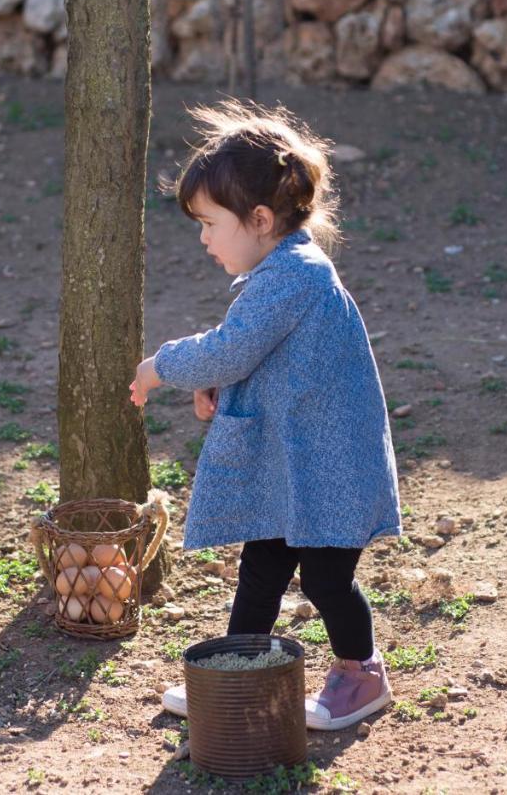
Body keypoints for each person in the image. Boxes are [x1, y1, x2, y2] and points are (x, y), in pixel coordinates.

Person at [129, 101, 401, 731]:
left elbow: (233, 346)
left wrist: (161, 367)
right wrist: (226, 386)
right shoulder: (282, 269)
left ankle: (362, 676)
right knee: (261, 571)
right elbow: (263, 353)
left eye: (209, 223)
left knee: (328, 581)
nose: (203, 238)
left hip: (327, 467)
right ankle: (235, 671)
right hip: (295, 465)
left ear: (259, 218)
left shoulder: (295, 275)